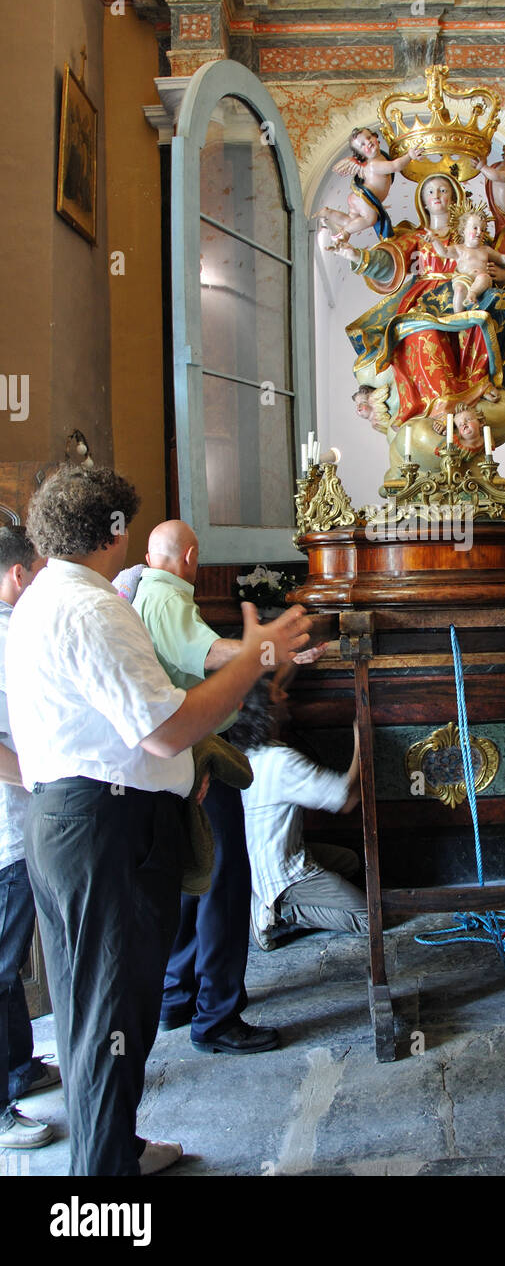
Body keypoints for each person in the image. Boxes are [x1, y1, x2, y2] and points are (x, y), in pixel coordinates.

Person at [6, 466, 310, 1174]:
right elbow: (163, 729)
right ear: (113, 531)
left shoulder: (50, 597)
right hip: (103, 832)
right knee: (109, 1010)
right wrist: (258, 657)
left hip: (78, 821)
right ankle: (102, 1187)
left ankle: (117, 1148)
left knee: (105, 1007)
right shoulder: (90, 607)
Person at [133, 519, 280, 1055]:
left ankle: (177, 997)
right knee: (223, 883)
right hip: (199, 758)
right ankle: (217, 1016)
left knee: (194, 879)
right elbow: (208, 652)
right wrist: (262, 651)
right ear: (191, 557)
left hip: (175, 762)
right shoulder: (168, 597)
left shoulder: (143, 591)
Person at [331, 172, 505, 422]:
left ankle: (482, 383)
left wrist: (502, 276)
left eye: (443, 190)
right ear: (423, 202)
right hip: (426, 298)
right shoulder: (417, 237)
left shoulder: (470, 233)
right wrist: (356, 256)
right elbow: (389, 262)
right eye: (430, 192)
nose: (437, 196)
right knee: (420, 333)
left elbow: (493, 262)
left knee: (495, 305)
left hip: (465, 291)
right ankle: (440, 405)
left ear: (454, 196)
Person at [227, 679, 367, 947]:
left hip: (256, 863)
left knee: (349, 861)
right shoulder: (280, 762)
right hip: (281, 873)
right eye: (277, 693)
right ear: (266, 710)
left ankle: (265, 898)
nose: (285, 694)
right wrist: (362, 741)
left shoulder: (247, 754)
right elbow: (347, 800)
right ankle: (278, 914)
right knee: (369, 918)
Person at [0, 526, 59, 1153]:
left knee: (9, 961)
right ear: (20, 575)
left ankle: (21, 1066)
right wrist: (40, 784)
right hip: (9, 824)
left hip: (19, 821)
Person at [428, 203, 505, 314]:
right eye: (475, 228)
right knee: (459, 289)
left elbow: (501, 258)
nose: (479, 232)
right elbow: (444, 252)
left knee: (484, 277)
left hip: (481, 282)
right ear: (463, 231)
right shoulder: (459, 249)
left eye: (483, 229)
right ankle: (457, 317)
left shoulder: (486, 250)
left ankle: (472, 294)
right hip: (463, 279)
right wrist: (434, 240)